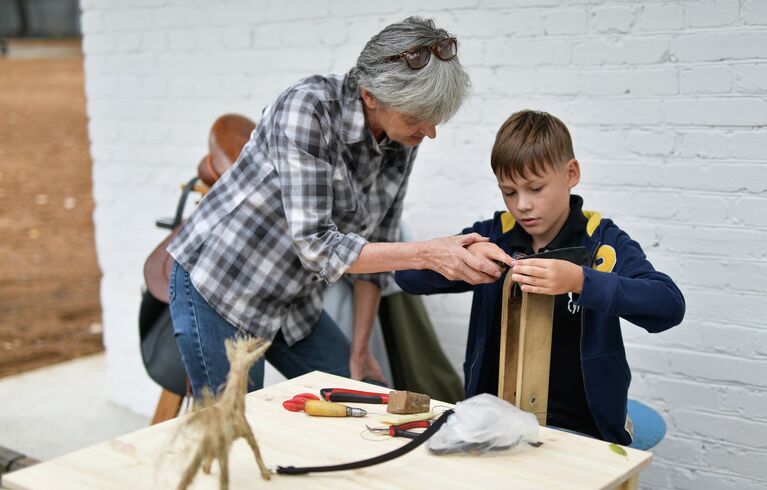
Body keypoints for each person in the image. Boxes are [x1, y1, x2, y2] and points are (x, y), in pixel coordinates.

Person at [167, 17, 514, 399]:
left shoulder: (401, 140)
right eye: (417, 116)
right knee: (231, 429)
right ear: (370, 96)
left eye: (434, 117)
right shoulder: (308, 107)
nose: (429, 131)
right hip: (222, 283)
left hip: (292, 300)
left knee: (362, 396)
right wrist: (429, 254)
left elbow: (379, 242)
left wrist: (360, 348)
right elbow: (317, 246)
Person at [395, 110, 685, 445]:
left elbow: (668, 305)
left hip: (584, 428)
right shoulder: (493, 236)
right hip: (496, 422)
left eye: (535, 188)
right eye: (509, 192)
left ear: (571, 174)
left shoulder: (602, 242)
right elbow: (407, 278)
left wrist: (581, 281)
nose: (523, 206)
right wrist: (462, 257)